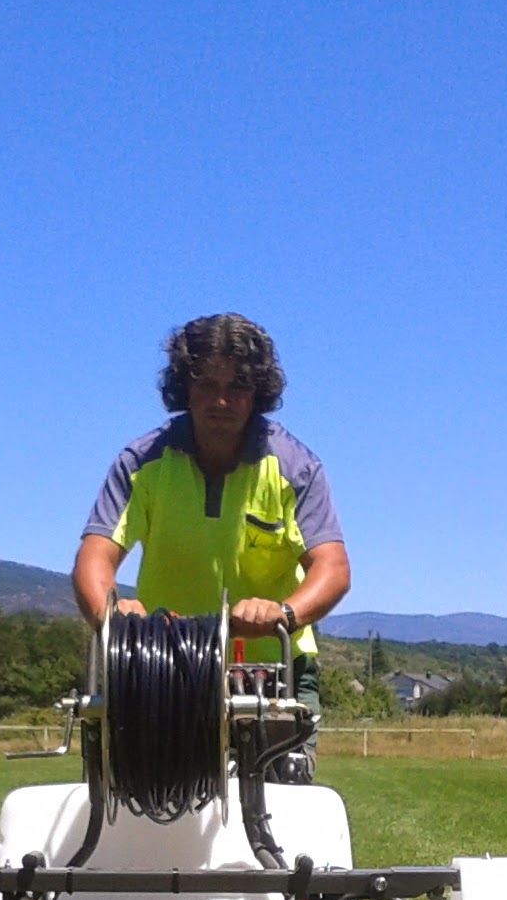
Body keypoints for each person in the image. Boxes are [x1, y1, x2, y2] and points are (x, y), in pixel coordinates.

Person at [74, 314, 349, 761]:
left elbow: (333, 569)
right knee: (147, 807)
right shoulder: (141, 462)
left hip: (275, 672)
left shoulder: (296, 468)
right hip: (161, 673)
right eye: (205, 384)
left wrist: (283, 612)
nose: (221, 400)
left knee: (284, 806)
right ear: (183, 387)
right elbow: (93, 558)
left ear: (259, 392)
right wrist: (113, 613)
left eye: (238, 386)